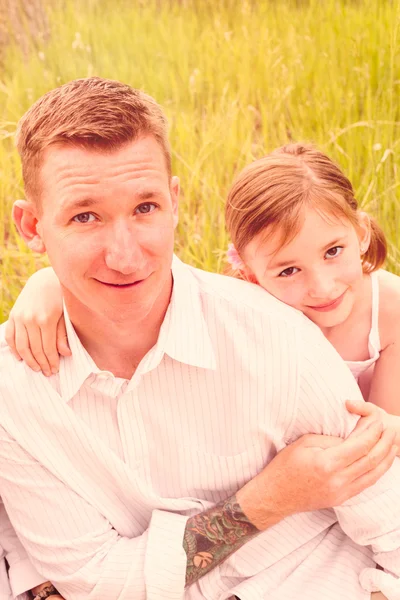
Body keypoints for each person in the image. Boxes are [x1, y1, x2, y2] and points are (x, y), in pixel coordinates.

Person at [0, 77, 399, 600]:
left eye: (145, 208)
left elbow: (388, 519)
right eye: (85, 216)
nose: (125, 256)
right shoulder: (16, 391)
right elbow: (97, 581)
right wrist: (265, 501)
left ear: (174, 202)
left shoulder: (279, 338)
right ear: (32, 227)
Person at [224, 143, 400, 432]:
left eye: (333, 251)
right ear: (251, 274)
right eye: (289, 270)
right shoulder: (244, 321)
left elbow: (384, 440)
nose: (323, 287)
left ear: (361, 234)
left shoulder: (390, 311)